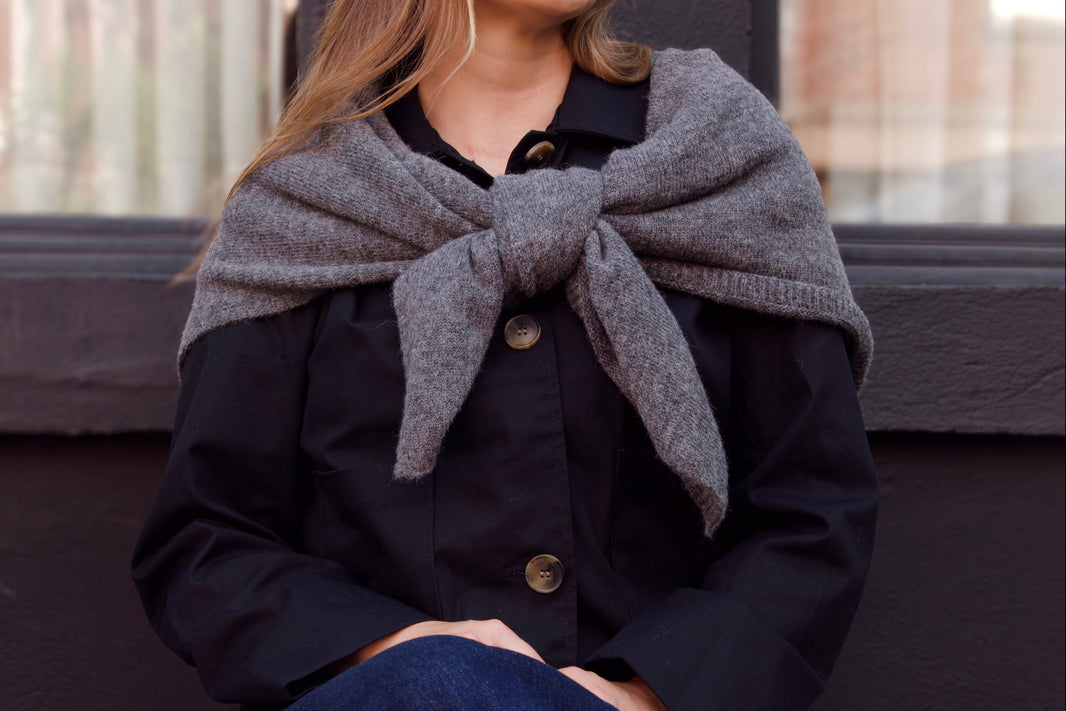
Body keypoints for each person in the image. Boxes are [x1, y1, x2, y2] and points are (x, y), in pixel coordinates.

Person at [132, 1, 879, 710]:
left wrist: (648, 692)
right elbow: (207, 542)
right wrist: (401, 652)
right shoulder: (308, 198)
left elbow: (811, 508)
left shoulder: (714, 147)